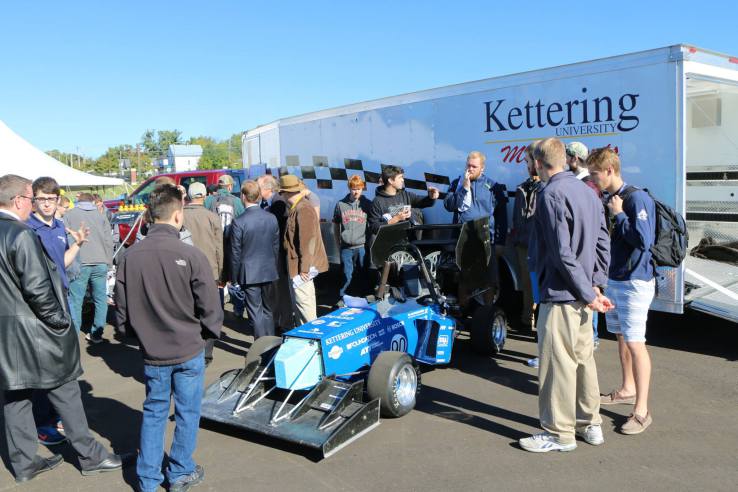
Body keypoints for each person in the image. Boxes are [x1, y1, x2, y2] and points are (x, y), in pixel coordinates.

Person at [0, 174, 128, 483]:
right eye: (31, 199)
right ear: (19, 200)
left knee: (16, 399)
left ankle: (24, 463)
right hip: (37, 333)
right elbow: (38, 290)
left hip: (7, 335)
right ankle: (90, 455)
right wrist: (61, 323)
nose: (34, 205)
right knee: (66, 391)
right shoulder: (20, 234)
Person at [114, 184, 222, 492]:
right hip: (188, 349)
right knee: (187, 413)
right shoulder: (191, 255)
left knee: (154, 411)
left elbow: (122, 310)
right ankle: (179, 472)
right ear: (178, 215)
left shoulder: (129, 257)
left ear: (149, 215)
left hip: (154, 351)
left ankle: (149, 479)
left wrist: (131, 335)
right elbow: (211, 307)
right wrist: (205, 335)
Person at [518, 138, 613, 453]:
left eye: (532, 162)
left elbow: (562, 254)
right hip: (583, 295)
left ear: (540, 163)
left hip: (563, 296)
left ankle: (559, 434)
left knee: (558, 364)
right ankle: (590, 425)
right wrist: (596, 285)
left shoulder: (551, 194)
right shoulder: (587, 192)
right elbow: (602, 241)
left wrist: (590, 292)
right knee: (584, 362)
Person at [587, 147, 657, 435]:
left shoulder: (636, 198)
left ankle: (642, 410)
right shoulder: (607, 198)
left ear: (610, 171)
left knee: (636, 342)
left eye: (595, 174)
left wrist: (620, 215)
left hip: (635, 281)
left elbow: (644, 240)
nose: (592, 180)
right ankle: (628, 387)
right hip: (615, 280)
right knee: (621, 338)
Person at [27, 177, 90, 445]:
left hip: (61, 300)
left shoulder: (60, 226)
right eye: (42, 199)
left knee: (63, 362)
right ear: (33, 201)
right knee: (44, 366)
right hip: (40, 305)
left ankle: (56, 416)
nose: (47, 204)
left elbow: (61, 265)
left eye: (52, 199)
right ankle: (43, 423)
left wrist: (77, 244)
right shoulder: (27, 229)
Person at [443, 150, 507, 303]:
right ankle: (463, 314)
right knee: (464, 280)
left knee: (489, 280)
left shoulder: (493, 186)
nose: (470, 169)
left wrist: (500, 242)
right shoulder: (456, 183)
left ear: (482, 168)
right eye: (468, 165)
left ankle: (487, 312)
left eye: (474, 166)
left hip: (485, 240)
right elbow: (449, 205)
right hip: (463, 240)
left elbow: (502, 217)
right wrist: (464, 188)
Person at [230, 181, 280, 338]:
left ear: (243, 196)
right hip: (269, 270)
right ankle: (271, 345)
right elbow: (276, 247)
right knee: (268, 310)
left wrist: (234, 277)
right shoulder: (271, 218)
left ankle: (261, 347)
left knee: (255, 312)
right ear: (258, 196)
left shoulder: (239, 222)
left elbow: (235, 253)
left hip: (249, 273)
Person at [565, 141, 603, 348]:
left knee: (587, 289)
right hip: (580, 246)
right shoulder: (579, 181)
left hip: (584, 248)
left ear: (575, 159)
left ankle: (592, 337)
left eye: (568, 157)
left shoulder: (588, 184)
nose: (565, 162)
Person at [183, 181, 224, 366]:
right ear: (204, 196)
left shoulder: (179, 216)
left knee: (188, 310)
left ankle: (191, 348)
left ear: (188, 197)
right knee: (209, 312)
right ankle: (207, 352)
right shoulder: (212, 217)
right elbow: (219, 248)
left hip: (183, 270)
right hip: (209, 271)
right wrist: (222, 272)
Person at [64, 192, 113, 342]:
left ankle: (74, 337)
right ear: (92, 201)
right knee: (100, 298)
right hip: (100, 262)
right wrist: (109, 263)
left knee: (76, 301)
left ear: (78, 200)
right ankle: (97, 333)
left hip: (80, 262)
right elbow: (108, 241)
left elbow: (66, 238)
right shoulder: (101, 215)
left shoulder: (70, 214)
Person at [281, 175, 329, 325]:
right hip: (299, 267)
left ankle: (313, 342)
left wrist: (304, 268)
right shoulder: (299, 208)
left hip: (302, 269)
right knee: (301, 307)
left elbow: (307, 242)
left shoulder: (303, 209)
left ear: (285, 193)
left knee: (306, 309)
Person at [510, 144, 541, 332]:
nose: (526, 165)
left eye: (528, 161)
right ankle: (526, 319)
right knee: (527, 283)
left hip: (539, 245)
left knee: (538, 284)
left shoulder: (547, 187)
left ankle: (538, 320)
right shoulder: (522, 187)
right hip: (523, 244)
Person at [257, 174, 294, 330]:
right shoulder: (266, 203)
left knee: (281, 290)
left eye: (259, 187)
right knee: (274, 290)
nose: (257, 190)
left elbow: (277, 231)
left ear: (267, 188)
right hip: (271, 254)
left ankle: (285, 323)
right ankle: (277, 321)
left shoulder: (278, 203)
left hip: (277, 253)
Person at [206, 174, 246, 316]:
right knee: (235, 278)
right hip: (232, 245)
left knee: (218, 279)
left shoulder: (209, 200)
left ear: (219, 186)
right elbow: (243, 220)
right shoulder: (236, 201)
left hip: (213, 246)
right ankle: (238, 309)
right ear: (230, 187)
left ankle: (219, 310)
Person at [368, 165, 439, 236]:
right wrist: (395, 219)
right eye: (400, 177)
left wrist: (431, 197)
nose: (403, 180)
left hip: (407, 242)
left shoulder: (405, 195)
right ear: (390, 180)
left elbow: (423, 202)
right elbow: (374, 227)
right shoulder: (377, 202)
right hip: (389, 244)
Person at [333, 175, 372, 300]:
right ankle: (344, 298)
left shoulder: (367, 204)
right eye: (354, 188)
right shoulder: (340, 204)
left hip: (361, 246)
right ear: (349, 188)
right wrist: (337, 242)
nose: (356, 191)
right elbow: (336, 224)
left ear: (362, 189)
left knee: (362, 273)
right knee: (347, 274)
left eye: (359, 188)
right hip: (346, 247)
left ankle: (361, 298)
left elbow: (373, 223)